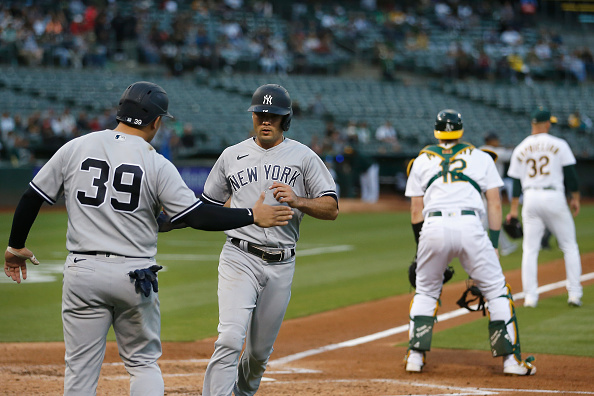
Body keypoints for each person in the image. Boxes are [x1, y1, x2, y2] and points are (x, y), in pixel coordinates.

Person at [3, 81, 293, 396]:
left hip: (82, 271)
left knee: (79, 369)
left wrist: (15, 246)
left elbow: (32, 196)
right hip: (134, 276)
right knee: (142, 364)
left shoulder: (77, 146)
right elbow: (196, 215)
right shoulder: (155, 162)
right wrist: (252, 215)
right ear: (156, 121)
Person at [200, 84, 339, 395]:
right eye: (260, 115)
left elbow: (331, 208)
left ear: (284, 120)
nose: (265, 121)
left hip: (281, 264)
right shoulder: (231, 156)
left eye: (273, 117)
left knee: (259, 354)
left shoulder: (303, 157)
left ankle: (243, 393)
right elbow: (208, 208)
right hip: (239, 257)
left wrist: (299, 200)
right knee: (229, 339)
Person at [404, 109, 535, 375]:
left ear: (436, 131)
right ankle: (511, 361)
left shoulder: (420, 161)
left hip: (433, 227)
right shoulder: (482, 157)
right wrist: (495, 243)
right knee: (496, 291)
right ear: (461, 130)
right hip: (470, 226)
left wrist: (421, 251)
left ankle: (415, 357)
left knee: (426, 290)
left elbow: (416, 211)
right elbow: (495, 203)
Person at [506, 106, 582, 308]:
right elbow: (571, 176)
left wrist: (513, 210)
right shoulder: (559, 144)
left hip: (529, 197)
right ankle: (574, 294)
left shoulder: (521, 147)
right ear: (547, 123)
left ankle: (530, 297)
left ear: (532, 124)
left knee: (530, 250)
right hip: (553, 195)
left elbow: (514, 182)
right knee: (569, 246)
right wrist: (574, 197)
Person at [479, 132, 517, 256]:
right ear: (491, 140)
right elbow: (510, 155)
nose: (498, 141)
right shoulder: (494, 151)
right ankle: (474, 245)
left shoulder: (479, 150)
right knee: (484, 222)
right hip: (491, 190)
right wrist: (510, 148)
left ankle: (506, 245)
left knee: (492, 220)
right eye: (496, 140)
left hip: (481, 189)